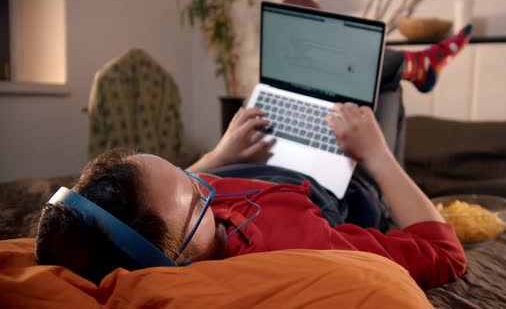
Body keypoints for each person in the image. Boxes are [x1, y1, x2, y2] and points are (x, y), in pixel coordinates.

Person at [35, 27, 472, 290]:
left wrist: (219, 155)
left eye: (179, 169)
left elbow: (175, 193)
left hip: (252, 155)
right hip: (340, 179)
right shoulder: (301, 248)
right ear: (177, 262)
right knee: (380, 81)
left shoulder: (164, 219)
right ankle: (418, 68)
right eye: (196, 194)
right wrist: (374, 154)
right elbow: (445, 253)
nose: (206, 181)